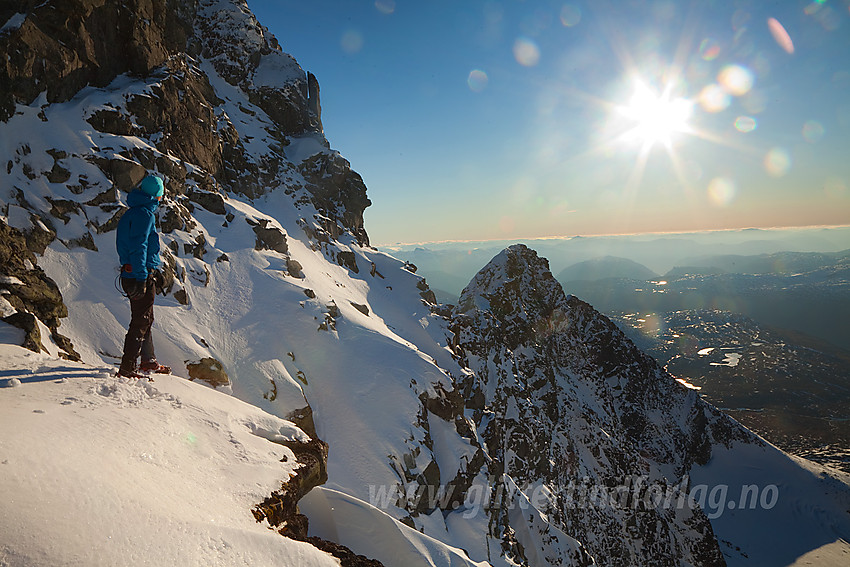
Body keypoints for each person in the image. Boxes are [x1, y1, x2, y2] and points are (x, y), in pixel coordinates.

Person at [115, 174, 170, 378]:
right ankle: (128, 367)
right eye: (160, 196)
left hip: (136, 272)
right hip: (138, 274)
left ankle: (148, 361)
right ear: (156, 196)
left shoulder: (133, 213)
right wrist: (141, 276)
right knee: (140, 321)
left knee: (146, 318)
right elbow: (139, 246)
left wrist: (153, 270)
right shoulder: (144, 215)